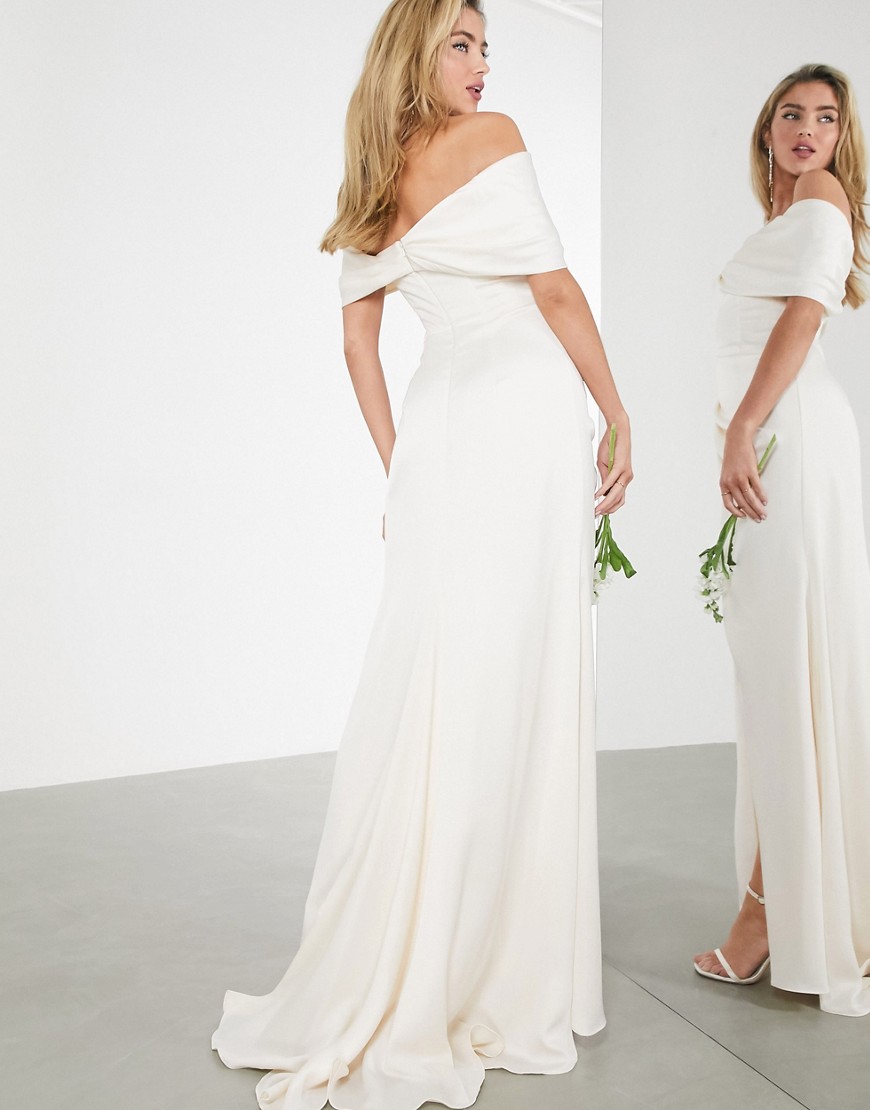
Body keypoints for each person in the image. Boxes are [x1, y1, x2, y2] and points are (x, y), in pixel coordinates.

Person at [212, 1, 631, 1106]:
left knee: (437, 682)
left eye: (488, 47)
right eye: (462, 43)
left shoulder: (370, 180)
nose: (483, 66)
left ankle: (417, 942)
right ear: (417, 49)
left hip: (443, 428)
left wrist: (402, 469)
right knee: (515, 678)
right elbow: (553, 291)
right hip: (522, 415)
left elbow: (359, 342)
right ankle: (495, 957)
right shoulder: (493, 140)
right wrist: (618, 411)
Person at [693, 63, 870, 1016]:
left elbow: (803, 319)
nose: (809, 130)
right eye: (793, 114)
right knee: (779, 672)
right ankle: (789, 905)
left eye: (827, 118)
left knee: (787, 675)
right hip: (782, 441)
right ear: (767, 129)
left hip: (790, 441)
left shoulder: (824, 198)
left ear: (842, 138)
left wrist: (743, 427)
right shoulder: (789, 212)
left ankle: (767, 919)